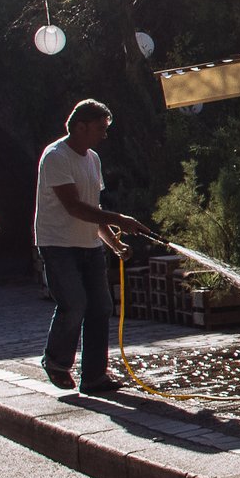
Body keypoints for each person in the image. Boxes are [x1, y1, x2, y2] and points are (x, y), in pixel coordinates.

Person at [33, 100, 153, 394]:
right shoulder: (56, 157)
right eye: (100, 129)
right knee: (74, 303)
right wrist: (119, 219)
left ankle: (94, 376)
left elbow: (92, 208)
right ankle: (56, 362)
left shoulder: (93, 159)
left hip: (88, 245)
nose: (104, 135)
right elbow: (74, 207)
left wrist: (114, 244)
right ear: (80, 127)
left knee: (101, 307)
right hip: (58, 244)